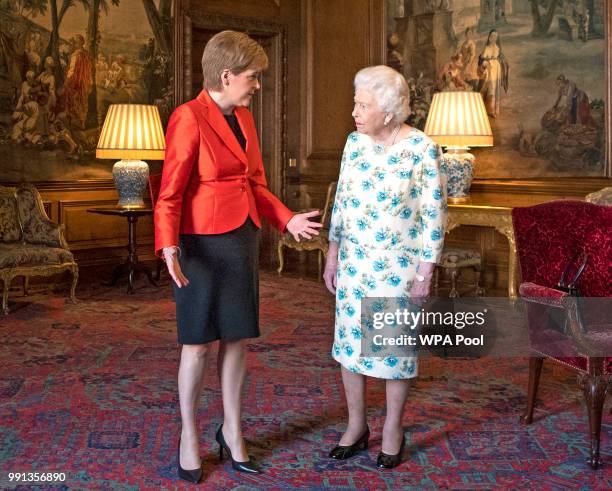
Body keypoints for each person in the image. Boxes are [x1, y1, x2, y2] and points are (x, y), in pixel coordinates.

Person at [154, 30, 322, 483]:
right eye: (253, 77)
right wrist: (169, 247)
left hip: (242, 238)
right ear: (226, 76)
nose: (258, 85)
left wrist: (286, 219)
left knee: (236, 337)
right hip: (200, 244)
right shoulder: (188, 118)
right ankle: (189, 434)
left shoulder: (245, 119)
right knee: (197, 342)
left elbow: (257, 185)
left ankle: (232, 429)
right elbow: (168, 194)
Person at [323, 65, 447, 469]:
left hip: (399, 268)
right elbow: (341, 202)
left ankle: (393, 427)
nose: (354, 112)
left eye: (362, 105)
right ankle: (357, 426)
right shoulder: (354, 144)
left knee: (394, 352)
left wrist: (426, 272)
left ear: (389, 111)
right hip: (356, 263)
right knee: (349, 347)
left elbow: (434, 214)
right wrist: (332, 253)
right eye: (354, 103)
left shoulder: (422, 148)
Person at [56, 34, 93, 129]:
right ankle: (81, 122)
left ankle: (73, 122)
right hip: (85, 82)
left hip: (75, 83)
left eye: (75, 42)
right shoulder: (87, 55)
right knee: (83, 101)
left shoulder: (76, 55)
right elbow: (90, 70)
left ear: (78, 43)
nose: (73, 44)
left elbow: (72, 71)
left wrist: (67, 82)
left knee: (73, 101)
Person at [477, 29, 509, 117]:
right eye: (492, 36)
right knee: (490, 89)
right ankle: (488, 109)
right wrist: (485, 64)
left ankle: (494, 109)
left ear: (497, 38)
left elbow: (501, 58)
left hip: (497, 70)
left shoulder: (497, 48)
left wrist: (502, 63)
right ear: (489, 37)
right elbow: (481, 60)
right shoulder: (486, 48)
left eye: (495, 36)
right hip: (489, 70)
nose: (493, 38)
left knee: (495, 89)